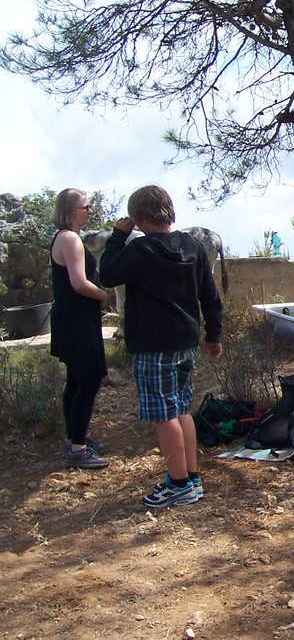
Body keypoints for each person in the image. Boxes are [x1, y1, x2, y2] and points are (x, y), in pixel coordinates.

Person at [99, 185, 223, 509]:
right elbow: (209, 296)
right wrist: (214, 335)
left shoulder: (140, 251)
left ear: (138, 217)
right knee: (182, 409)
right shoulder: (192, 245)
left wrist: (116, 236)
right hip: (185, 343)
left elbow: (107, 273)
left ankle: (178, 484)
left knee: (163, 414)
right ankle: (191, 478)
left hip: (154, 346)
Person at [49, 189, 111, 469]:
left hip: (71, 319)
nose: (89, 211)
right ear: (69, 210)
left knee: (76, 380)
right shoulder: (70, 239)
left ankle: (77, 437)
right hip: (76, 320)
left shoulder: (63, 237)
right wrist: (103, 295)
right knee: (88, 380)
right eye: (85, 207)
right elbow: (78, 283)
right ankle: (77, 449)